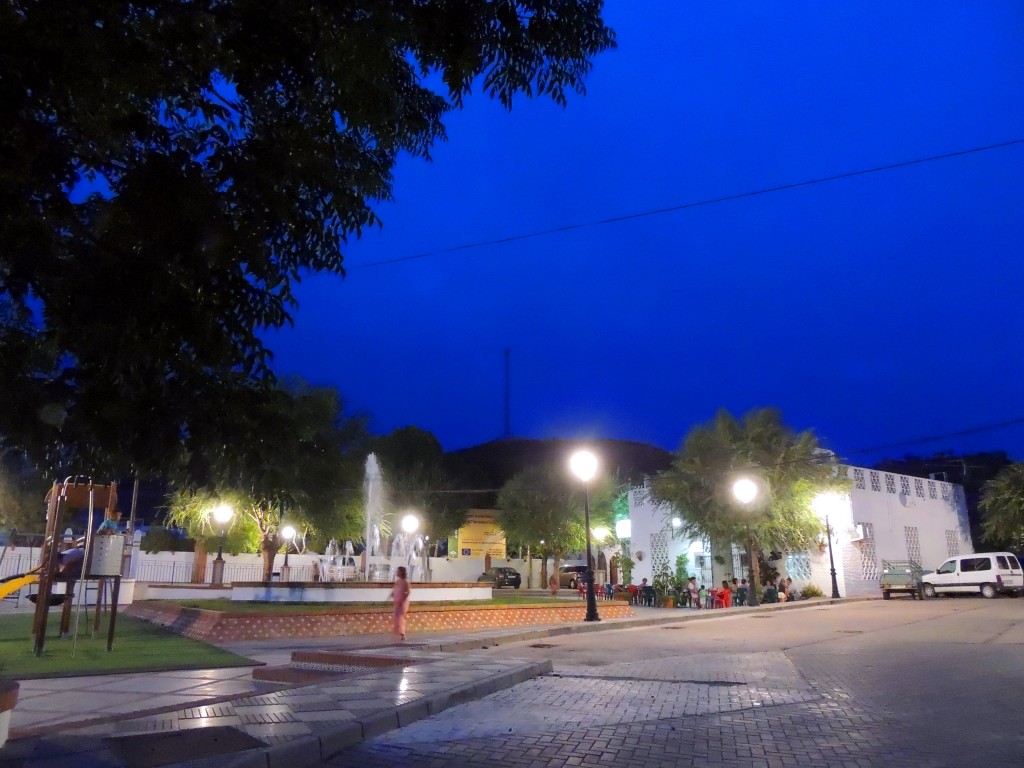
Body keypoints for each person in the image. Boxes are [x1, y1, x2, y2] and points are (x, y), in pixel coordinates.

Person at [390, 565, 411, 641]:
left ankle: (402, 633)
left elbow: (408, 592)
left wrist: (403, 599)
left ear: (401, 572)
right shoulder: (397, 581)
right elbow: (395, 590)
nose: (396, 572)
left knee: (400, 617)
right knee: (396, 616)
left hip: (402, 603)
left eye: (398, 571)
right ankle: (399, 632)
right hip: (397, 601)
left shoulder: (405, 582)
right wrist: (392, 595)